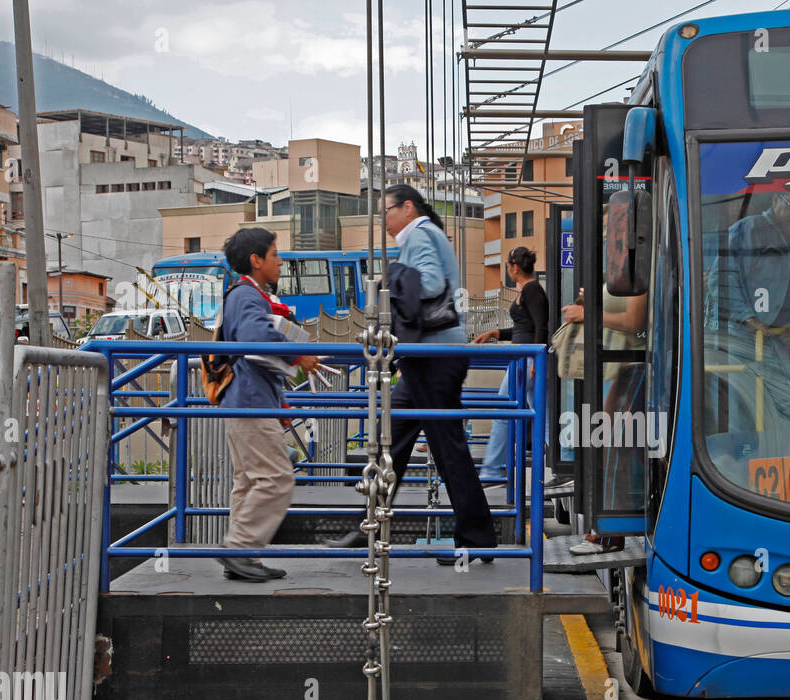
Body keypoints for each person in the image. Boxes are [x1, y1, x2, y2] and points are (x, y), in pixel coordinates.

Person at [329, 184, 498, 564]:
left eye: (386, 212)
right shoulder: (427, 234)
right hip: (431, 356)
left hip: (433, 356)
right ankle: (368, 525)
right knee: (394, 442)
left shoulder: (419, 233)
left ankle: (476, 538)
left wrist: (394, 276)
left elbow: (432, 283)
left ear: (406, 207)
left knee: (442, 447)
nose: (383, 221)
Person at [216, 228, 321, 582]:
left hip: (247, 399)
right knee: (276, 477)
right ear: (255, 260)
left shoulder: (242, 294)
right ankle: (240, 548)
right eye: (275, 255)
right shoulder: (248, 296)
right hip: (250, 401)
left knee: (248, 481)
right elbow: (255, 337)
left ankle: (245, 556)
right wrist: (300, 354)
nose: (280, 261)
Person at [706, 191, 790, 430]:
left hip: (775, 343)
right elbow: (721, 279)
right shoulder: (749, 230)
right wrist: (747, 318)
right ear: (775, 200)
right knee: (743, 412)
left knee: (783, 414)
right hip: (739, 339)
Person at [561, 283, 649, 555]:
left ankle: (610, 534)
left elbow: (634, 322)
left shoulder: (640, 274)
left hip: (636, 364)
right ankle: (614, 526)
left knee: (613, 445)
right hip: (624, 368)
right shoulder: (623, 270)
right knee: (616, 445)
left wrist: (588, 314)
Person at [475, 246, 549, 484]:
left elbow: (541, 326)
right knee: (542, 416)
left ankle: (491, 470)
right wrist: (496, 332)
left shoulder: (533, 291)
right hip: (523, 359)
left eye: (508, 266)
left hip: (526, 361)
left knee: (503, 412)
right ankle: (557, 461)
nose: (508, 271)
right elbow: (522, 327)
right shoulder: (526, 291)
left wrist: (536, 360)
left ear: (515, 267)